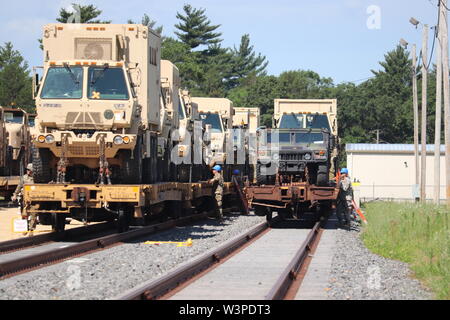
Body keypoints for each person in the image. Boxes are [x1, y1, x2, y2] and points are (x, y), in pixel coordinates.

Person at [11, 163, 36, 233]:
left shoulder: (36, 178)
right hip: (24, 199)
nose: (28, 171)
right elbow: (19, 187)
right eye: (27, 169)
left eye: (29, 169)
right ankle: (25, 228)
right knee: (24, 214)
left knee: (33, 214)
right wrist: (15, 194)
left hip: (33, 200)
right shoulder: (24, 178)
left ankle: (31, 229)